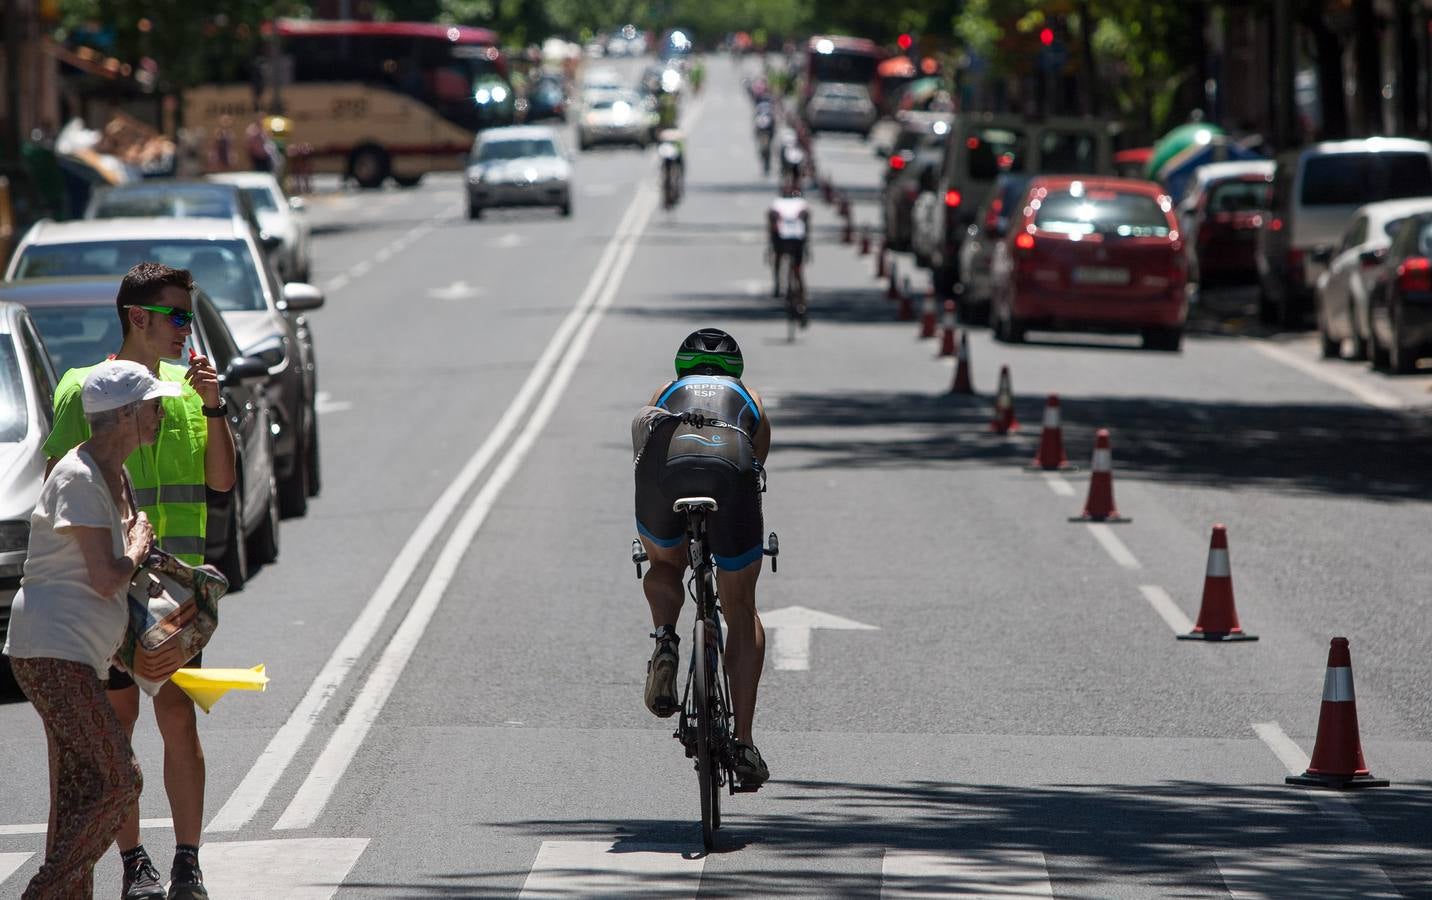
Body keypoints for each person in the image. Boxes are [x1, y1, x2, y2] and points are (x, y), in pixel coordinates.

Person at [44, 262, 235, 900]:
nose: (187, 328)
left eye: (190, 315)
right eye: (177, 316)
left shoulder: (188, 389)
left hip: (174, 597)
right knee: (116, 728)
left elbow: (222, 482)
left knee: (180, 717)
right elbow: (62, 484)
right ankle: (135, 864)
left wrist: (213, 408)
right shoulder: (84, 389)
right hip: (109, 591)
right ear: (138, 317)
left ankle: (188, 862)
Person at [3, 360, 176, 898]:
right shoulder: (78, 477)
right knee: (119, 781)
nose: (161, 415)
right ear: (124, 414)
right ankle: (45, 890)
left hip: (79, 652)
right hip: (51, 653)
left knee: (80, 792)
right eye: (152, 406)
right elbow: (106, 575)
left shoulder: (116, 473)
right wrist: (138, 547)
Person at [632, 329, 772, 787]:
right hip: (730, 468)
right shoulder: (748, 396)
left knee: (664, 563)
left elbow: (641, 455)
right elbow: (757, 465)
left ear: (681, 367)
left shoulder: (662, 393)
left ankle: (667, 640)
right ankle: (745, 743)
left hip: (666, 468)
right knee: (740, 606)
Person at [768, 184, 811, 313]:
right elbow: (807, 218)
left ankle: (777, 284)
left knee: (780, 258)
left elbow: (771, 219)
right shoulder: (801, 203)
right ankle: (802, 300)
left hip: (783, 239)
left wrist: (770, 242)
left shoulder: (777, 203)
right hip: (797, 239)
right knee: (798, 271)